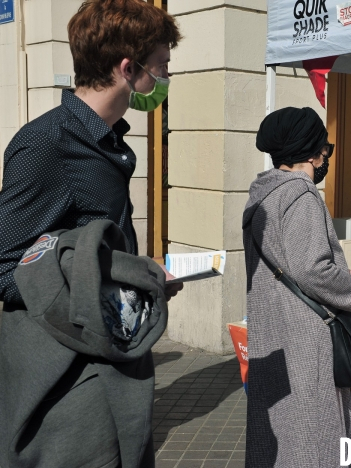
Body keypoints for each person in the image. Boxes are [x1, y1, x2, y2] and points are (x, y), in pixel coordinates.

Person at [0, 0, 182, 466]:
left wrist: (139, 277)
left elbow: (96, 251)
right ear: (128, 68)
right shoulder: (47, 143)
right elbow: (7, 267)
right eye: (162, 67)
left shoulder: (110, 140)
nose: (164, 79)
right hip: (67, 379)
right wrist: (100, 284)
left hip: (112, 361)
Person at [243, 107, 351, 467]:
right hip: (304, 342)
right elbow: (315, 271)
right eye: (325, 147)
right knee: (311, 442)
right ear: (312, 152)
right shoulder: (300, 196)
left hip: (274, 334)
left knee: (281, 439)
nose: (326, 155)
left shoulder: (263, 194)